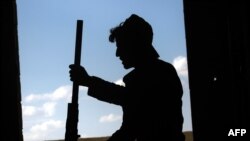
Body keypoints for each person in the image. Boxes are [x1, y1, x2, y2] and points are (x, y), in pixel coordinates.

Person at [69, 14, 185, 141]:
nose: (117, 53)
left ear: (135, 45)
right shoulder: (159, 72)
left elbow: (130, 107)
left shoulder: (158, 75)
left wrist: (88, 81)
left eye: (121, 47)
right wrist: (88, 81)